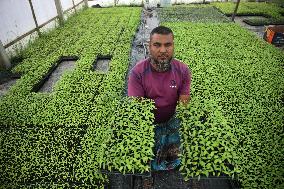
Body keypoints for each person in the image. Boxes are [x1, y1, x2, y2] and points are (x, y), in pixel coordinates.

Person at [127, 26, 192, 188]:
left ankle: (168, 157)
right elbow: (138, 109)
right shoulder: (138, 73)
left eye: (168, 45)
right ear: (149, 46)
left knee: (174, 151)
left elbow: (184, 103)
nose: (163, 50)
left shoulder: (183, 70)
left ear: (173, 45)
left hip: (171, 119)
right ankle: (147, 173)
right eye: (157, 45)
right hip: (149, 123)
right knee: (147, 152)